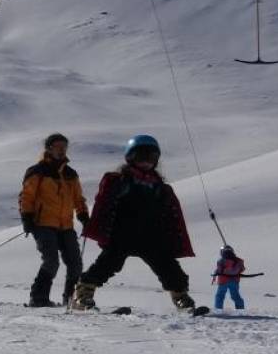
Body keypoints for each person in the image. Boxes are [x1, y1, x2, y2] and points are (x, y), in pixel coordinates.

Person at [71, 135, 196, 312]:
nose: (146, 162)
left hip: (150, 237)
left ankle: (181, 297)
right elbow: (104, 201)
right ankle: (82, 296)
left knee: (169, 267)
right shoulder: (120, 181)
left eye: (151, 157)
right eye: (141, 157)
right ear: (130, 158)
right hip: (122, 235)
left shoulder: (159, 186)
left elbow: (168, 213)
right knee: (107, 265)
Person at [18, 133, 90, 307]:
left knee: (75, 264)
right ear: (49, 148)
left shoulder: (70, 174)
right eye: (58, 147)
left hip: (65, 225)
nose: (62, 150)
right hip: (43, 223)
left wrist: (83, 216)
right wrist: (26, 217)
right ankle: (38, 298)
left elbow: (78, 199)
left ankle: (71, 299)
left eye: (64, 147)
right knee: (51, 262)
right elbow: (27, 196)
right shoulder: (37, 171)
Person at [213, 245, 246, 310]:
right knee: (235, 296)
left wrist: (215, 272)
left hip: (223, 281)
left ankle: (218, 309)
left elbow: (219, 270)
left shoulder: (221, 261)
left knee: (220, 296)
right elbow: (242, 269)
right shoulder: (238, 260)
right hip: (234, 281)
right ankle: (241, 309)